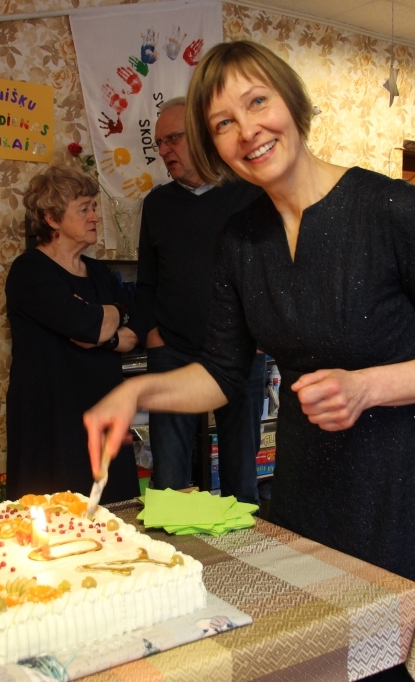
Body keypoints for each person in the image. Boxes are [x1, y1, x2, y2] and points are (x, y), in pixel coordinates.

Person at [83, 42, 415, 682]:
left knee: (391, 663)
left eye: (258, 102)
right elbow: (223, 374)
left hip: (396, 491)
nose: (247, 130)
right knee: (316, 659)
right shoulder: (242, 238)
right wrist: (136, 395)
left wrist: (368, 387)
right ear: (213, 144)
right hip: (304, 493)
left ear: (294, 104)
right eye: (224, 122)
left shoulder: (392, 209)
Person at [137, 96, 265, 504]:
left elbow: (273, 274)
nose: (164, 151)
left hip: (240, 352)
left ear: (201, 135)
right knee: (170, 482)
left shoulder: (251, 195)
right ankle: (176, 563)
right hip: (172, 352)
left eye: (172, 139)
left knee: (241, 475)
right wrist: (154, 338)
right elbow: (147, 282)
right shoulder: (157, 204)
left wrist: (262, 335)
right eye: (159, 144)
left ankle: (243, 564)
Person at [5, 164, 142, 504]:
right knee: (53, 522)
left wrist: (106, 329)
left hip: (103, 412)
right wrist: (103, 323)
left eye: (93, 207)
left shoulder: (98, 272)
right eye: (84, 209)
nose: (94, 216)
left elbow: (131, 326)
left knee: (114, 514)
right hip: (52, 418)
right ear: (52, 219)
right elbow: (87, 326)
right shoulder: (30, 270)